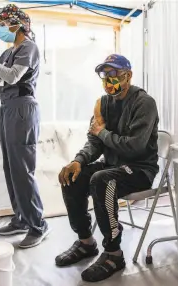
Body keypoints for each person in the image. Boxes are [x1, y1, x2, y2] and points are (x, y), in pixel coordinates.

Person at [56, 54, 159, 282]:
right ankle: (86, 242)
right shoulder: (103, 103)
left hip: (139, 169)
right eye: (104, 76)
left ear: (128, 75)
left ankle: (114, 253)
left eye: (113, 75)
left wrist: (102, 132)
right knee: (75, 176)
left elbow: (134, 147)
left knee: (101, 180)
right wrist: (78, 161)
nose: (108, 81)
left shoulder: (144, 103)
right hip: (114, 166)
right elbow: (94, 142)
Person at [0, 4, 49, 248]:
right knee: (10, 168)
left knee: (22, 170)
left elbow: (13, 76)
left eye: (3, 25)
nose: (1, 30)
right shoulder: (6, 53)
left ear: (17, 24)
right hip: (7, 109)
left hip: (23, 109)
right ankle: (21, 218)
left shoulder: (29, 48)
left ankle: (38, 224)